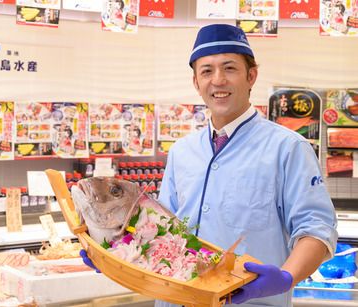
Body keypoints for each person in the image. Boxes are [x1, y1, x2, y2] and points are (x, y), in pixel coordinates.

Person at [81, 24, 338, 307]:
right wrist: (114, 255)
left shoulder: (288, 148)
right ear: (196, 82)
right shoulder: (182, 151)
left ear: (251, 76)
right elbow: (158, 231)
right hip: (174, 300)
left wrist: (286, 277)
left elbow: (316, 228)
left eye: (229, 68)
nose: (218, 80)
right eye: (206, 71)